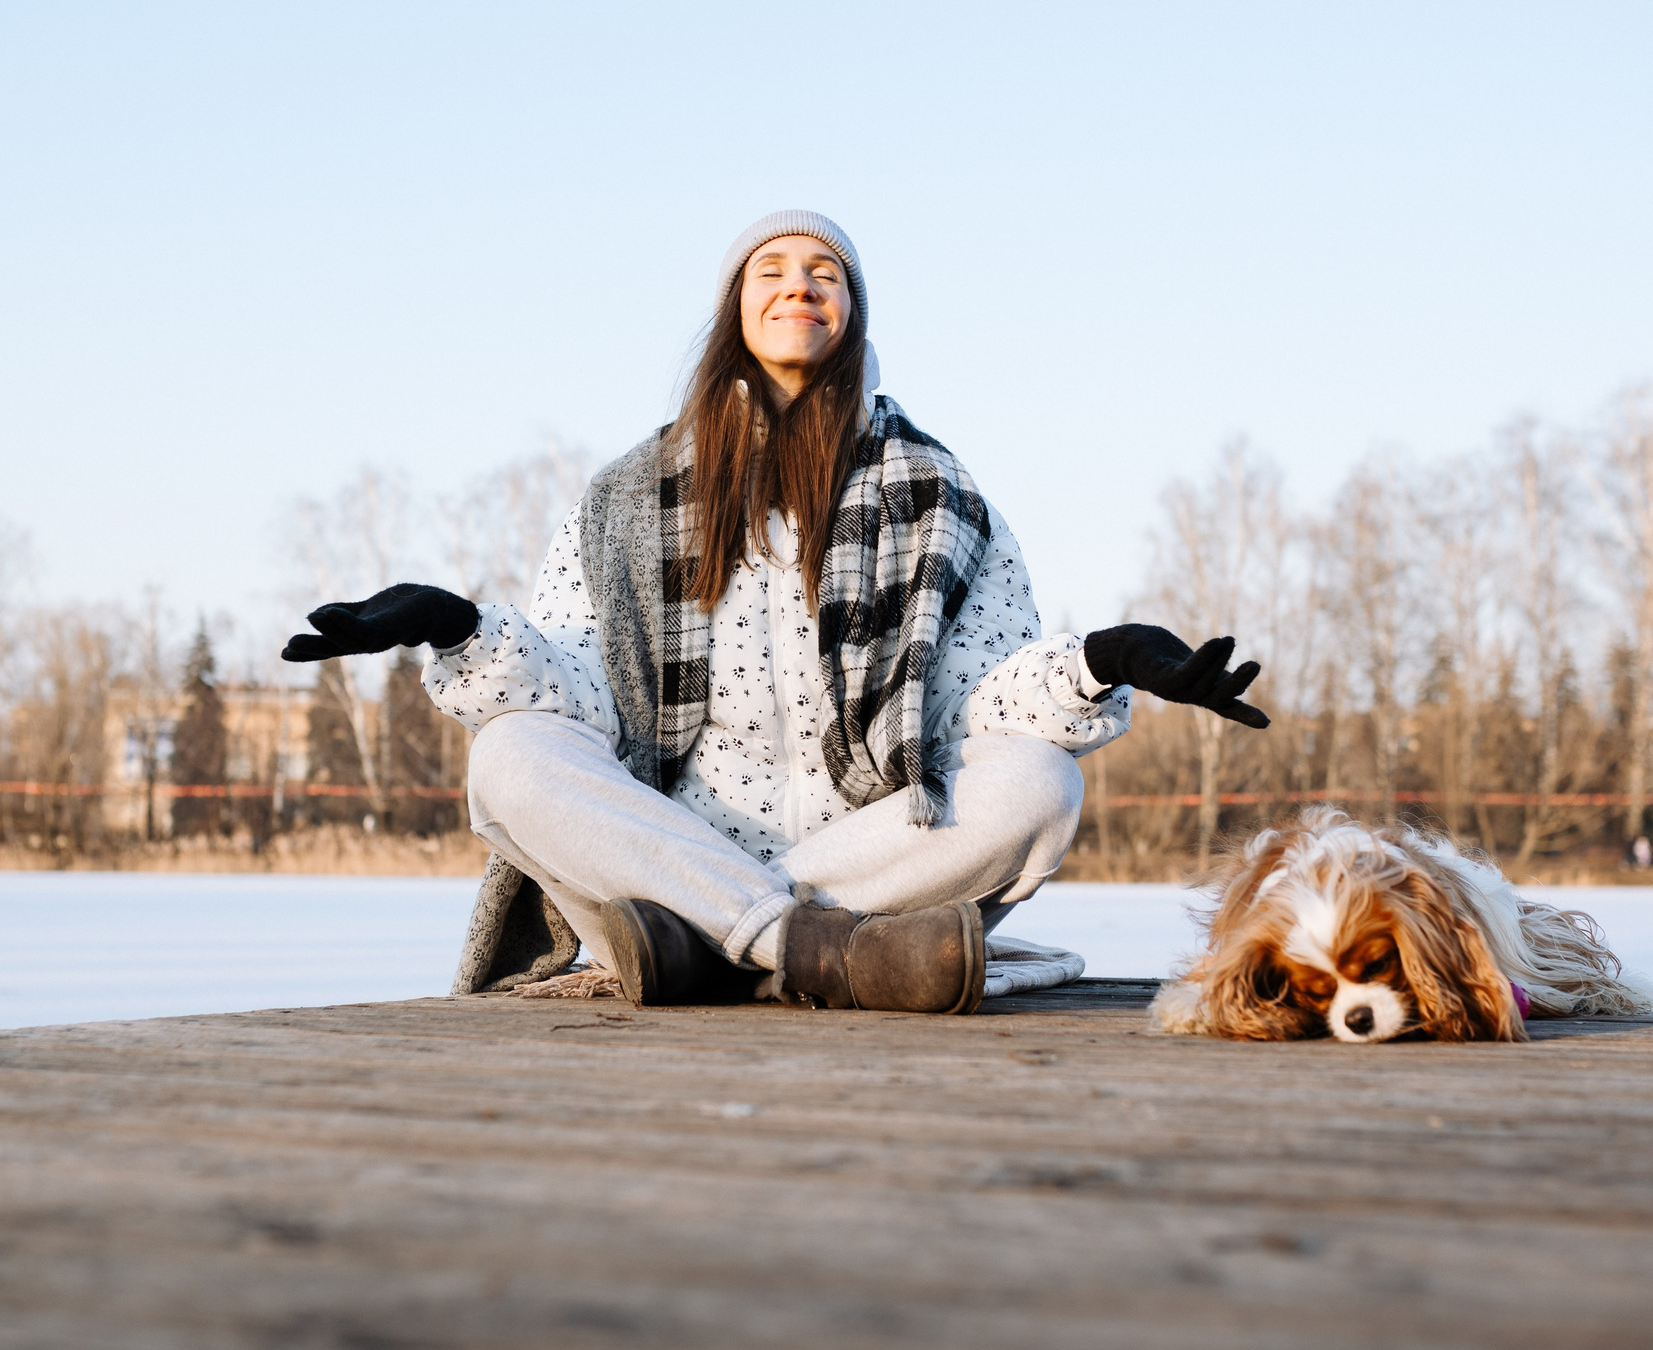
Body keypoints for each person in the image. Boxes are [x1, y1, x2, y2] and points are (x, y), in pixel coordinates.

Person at [286, 211, 1269, 1013]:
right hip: (661, 858)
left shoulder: (936, 493)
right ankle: (818, 952)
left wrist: (1100, 660)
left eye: (824, 273)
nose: (800, 285)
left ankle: (719, 948)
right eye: (773, 270)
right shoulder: (627, 497)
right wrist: (463, 628)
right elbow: (580, 696)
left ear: (851, 313)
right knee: (508, 755)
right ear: (735, 308)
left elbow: (973, 707)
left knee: (1040, 781)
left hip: (855, 864)